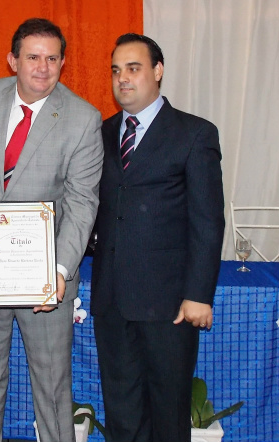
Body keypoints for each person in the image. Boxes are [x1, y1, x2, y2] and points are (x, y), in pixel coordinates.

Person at [0, 18, 103, 442]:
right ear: (13, 60)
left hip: (45, 276)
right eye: (33, 57)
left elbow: (82, 203)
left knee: (51, 386)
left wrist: (60, 273)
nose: (42, 68)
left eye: (52, 59)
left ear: (63, 62)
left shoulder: (84, 119)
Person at [90, 33, 224, 442]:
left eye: (133, 68)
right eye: (116, 70)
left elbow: (207, 219)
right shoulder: (100, 132)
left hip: (169, 304)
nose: (123, 79)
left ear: (157, 71)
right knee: (122, 412)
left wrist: (198, 293)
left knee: (167, 414)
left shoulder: (194, 133)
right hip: (112, 301)